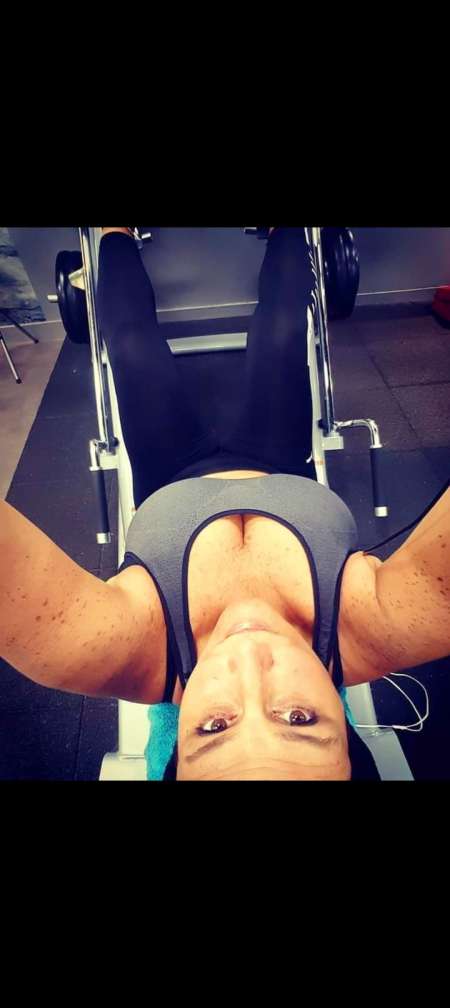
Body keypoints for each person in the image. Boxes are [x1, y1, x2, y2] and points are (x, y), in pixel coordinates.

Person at [1, 227, 449, 781]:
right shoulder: (380, 626)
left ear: (176, 740)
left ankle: (115, 234)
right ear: (348, 729)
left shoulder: (121, 649)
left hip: (169, 469)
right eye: (300, 718)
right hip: (278, 456)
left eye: (213, 727)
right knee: (282, 334)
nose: (249, 662)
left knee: (133, 351)